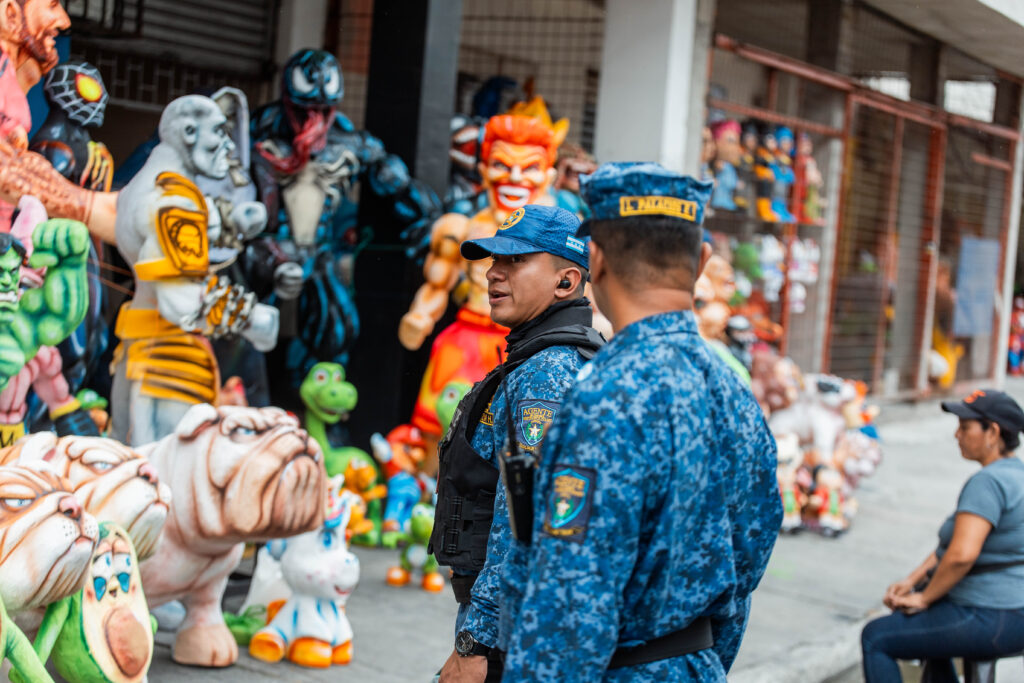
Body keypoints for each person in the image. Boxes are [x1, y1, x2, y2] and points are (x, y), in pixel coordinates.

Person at [497, 162, 782, 682]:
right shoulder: (735, 394)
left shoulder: (602, 397)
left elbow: (570, 602)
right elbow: (748, 559)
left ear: (596, 260)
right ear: (701, 262)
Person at [432, 204, 604, 682]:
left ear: (566, 282)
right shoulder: (539, 358)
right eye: (494, 261)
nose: (493, 274)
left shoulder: (548, 374)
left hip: (509, 630)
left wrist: (476, 642)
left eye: (515, 261)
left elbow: (523, 521)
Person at [861, 389, 1024, 682]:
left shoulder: (987, 482)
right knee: (928, 629)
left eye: (965, 428)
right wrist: (911, 583)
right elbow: (949, 549)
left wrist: (924, 597)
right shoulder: (1017, 475)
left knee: (876, 637)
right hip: (1012, 613)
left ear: (993, 432)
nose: (956, 435)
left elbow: (962, 555)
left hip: (992, 615)